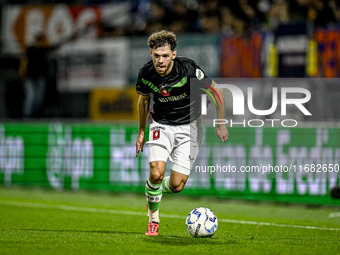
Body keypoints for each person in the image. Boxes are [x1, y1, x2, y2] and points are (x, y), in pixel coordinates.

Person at [135, 30, 229, 236]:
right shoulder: (146, 73)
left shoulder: (188, 69)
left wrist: (220, 122)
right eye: (157, 56)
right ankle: (153, 220)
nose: (160, 61)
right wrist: (142, 131)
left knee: (177, 185)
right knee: (156, 172)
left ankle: (153, 190)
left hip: (190, 127)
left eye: (165, 56)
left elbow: (217, 90)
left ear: (174, 55)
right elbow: (143, 100)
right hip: (161, 124)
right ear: (151, 53)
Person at [19, 33, 49, 118]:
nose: (40, 42)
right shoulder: (30, 50)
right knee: (30, 97)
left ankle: (35, 116)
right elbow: (23, 62)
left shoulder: (43, 50)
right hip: (29, 77)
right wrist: (22, 74)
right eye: (39, 40)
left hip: (40, 78)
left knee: (39, 99)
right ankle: (26, 116)